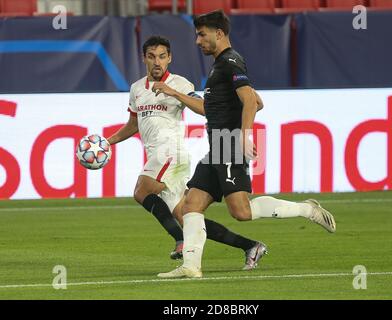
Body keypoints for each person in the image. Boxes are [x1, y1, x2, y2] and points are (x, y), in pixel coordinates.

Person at [156, 11, 336, 279]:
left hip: (228, 145)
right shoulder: (220, 66)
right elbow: (221, 106)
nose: (197, 41)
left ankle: (307, 209)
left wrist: (244, 135)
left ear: (219, 33)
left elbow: (250, 101)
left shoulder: (230, 62)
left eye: (202, 34)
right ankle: (191, 267)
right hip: (216, 148)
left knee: (241, 211)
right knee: (189, 206)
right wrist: (176, 93)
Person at [106, 35, 269, 271]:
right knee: (188, 217)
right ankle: (250, 246)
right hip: (158, 155)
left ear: (169, 58)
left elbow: (205, 108)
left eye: (162, 56)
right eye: (151, 57)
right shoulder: (136, 89)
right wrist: (107, 142)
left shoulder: (180, 83)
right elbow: (134, 124)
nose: (157, 62)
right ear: (144, 59)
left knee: (142, 190)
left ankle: (180, 240)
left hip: (170, 152)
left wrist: (173, 92)